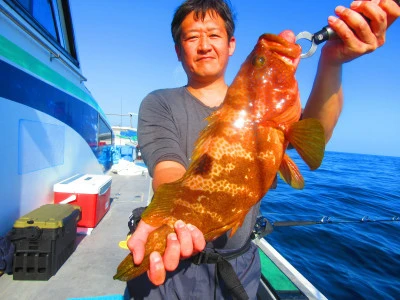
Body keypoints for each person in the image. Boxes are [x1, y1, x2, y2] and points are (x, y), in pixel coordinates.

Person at [127, 0, 400, 299]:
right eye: (192, 37)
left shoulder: (266, 112)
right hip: (170, 275)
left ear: (231, 45)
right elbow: (167, 168)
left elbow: (313, 137)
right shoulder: (159, 103)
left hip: (238, 271)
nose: (204, 45)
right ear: (179, 50)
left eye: (214, 35)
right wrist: (174, 219)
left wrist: (331, 61)